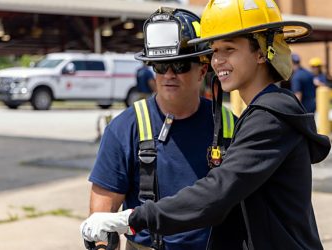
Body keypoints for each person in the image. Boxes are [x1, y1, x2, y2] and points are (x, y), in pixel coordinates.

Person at [80, 1, 331, 249]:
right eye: (214, 50)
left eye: (229, 49)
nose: (217, 60)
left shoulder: (269, 118)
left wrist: (132, 218)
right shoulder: (262, 112)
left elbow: (217, 193)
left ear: (261, 52)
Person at [83, 7, 234, 250]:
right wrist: (102, 242)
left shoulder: (229, 125)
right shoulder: (125, 128)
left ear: (203, 70)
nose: (169, 74)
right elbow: (103, 208)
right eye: (161, 66)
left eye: (181, 65)